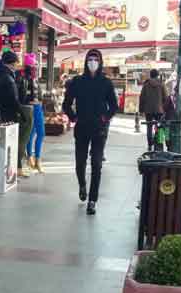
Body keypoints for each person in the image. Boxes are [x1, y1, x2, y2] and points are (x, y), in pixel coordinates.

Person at [62, 48, 118, 216]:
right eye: (90, 59)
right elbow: (67, 103)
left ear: (100, 62)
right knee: (80, 163)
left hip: (99, 129)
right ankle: (82, 185)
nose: (92, 62)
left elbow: (114, 106)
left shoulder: (106, 83)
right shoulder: (77, 82)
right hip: (82, 127)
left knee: (97, 163)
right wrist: (73, 117)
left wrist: (105, 118)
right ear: (86, 62)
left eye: (96, 59)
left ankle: (92, 200)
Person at [0, 50, 32, 178]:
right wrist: (22, 113)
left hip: (3, 113)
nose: (16, 66)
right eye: (15, 63)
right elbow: (13, 99)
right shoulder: (8, 78)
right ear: (11, 63)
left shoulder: (0, 75)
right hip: (10, 114)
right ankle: (14, 169)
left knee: (9, 143)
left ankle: (13, 168)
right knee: (13, 143)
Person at [19, 61, 46, 174]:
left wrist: (39, 100)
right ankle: (31, 158)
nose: (35, 69)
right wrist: (30, 101)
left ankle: (37, 159)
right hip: (29, 108)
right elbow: (21, 96)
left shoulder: (35, 80)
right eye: (33, 67)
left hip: (37, 108)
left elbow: (39, 95)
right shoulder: (23, 80)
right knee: (30, 133)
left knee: (40, 133)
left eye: (36, 66)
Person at [139, 69, 168, 151]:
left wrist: (141, 110)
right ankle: (160, 143)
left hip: (148, 110)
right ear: (157, 75)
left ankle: (149, 144)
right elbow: (166, 97)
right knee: (160, 127)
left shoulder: (146, 84)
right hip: (159, 109)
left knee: (149, 126)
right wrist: (165, 109)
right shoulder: (161, 84)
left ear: (150, 75)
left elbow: (142, 97)